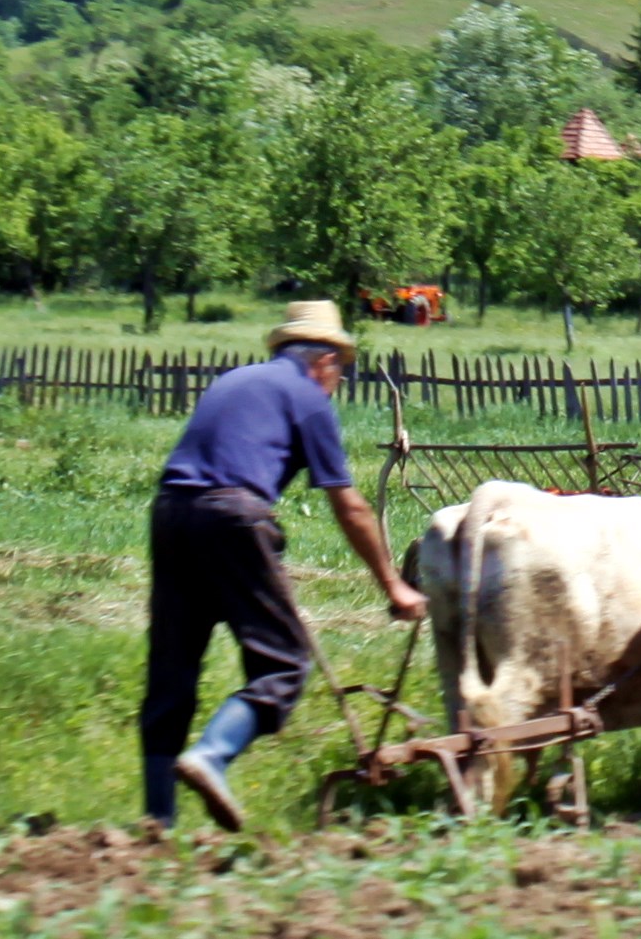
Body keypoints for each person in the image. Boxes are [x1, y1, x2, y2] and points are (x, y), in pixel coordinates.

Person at [139, 300, 428, 831]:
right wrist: (394, 585)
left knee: (171, 671)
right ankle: (212, 755)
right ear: (323, 361)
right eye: (340, 367)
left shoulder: (235, 381)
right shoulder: (307, 397)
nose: (339, 378)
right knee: (283, 662)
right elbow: (350, 505)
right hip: (232, 517)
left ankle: (158, 820)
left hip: (171, 512)